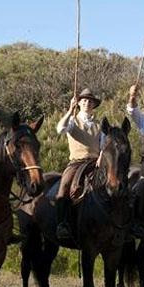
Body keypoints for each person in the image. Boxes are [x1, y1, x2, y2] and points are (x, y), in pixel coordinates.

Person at [54, 88, 104, 241]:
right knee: (63, 188)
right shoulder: (72, 121)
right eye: (84, 100)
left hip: (96, 163)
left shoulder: (99, 124)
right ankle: (62, 223)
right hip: (76, 163)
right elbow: (60, 129)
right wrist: (70, 110)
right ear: (79, 103)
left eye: (90, 101)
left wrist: (101, 157)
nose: (87, 103)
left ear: (94, 104)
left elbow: (103, 145)